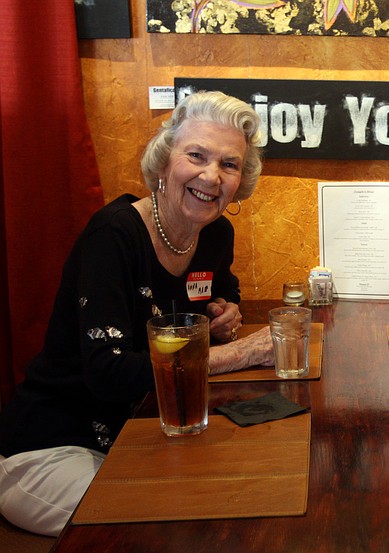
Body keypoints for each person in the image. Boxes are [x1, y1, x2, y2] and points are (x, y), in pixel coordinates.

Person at [0, 91, 274, 536]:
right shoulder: (113, 235)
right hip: (57, 447)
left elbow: (221, 289)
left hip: (143, 435)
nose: (211, 175)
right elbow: (107, 373)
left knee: (243, 489)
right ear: (164, 162)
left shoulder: (215, 233)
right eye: (197, 155)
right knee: (173, 524)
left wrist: (228, 311)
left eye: (229, 164)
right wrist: (236, 355)